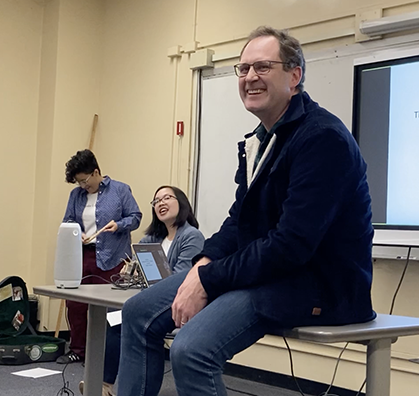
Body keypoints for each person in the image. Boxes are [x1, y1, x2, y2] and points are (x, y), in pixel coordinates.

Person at [117, 26, 376, 396]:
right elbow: (239, 221)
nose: (250, 77)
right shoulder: (262, 140)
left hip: (316, 286)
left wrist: (208, 279)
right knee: (137, 313)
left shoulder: (323, 139)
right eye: (243, 68)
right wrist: (204, 263)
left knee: (191, 350)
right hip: (269, 275)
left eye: (263, 67)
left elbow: (291, 246)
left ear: (295, 76)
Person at [81, 185, 204, 395]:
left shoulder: (192, 236)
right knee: (111, 316)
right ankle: (102, 383)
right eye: (156, 201)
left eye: (167, 198)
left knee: (125, 319)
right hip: (151, 301)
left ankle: (107, 385)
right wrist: (131, 272)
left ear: (181, 203)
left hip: (177, 303)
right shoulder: (151, 239)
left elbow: (182, 279)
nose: (161, 203)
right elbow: (138, 274)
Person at [59, 149, 142, 364]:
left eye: (84, 180)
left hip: (113, 256)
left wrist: (119, 225)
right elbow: (68, 221)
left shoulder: (120, 190)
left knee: (111, 308)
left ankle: (109, 355)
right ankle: (78, 350)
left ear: (96, 172)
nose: (82, 186)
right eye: (78, 182)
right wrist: (78, 232)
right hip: (83, 255)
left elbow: (135, 217)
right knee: (75, 305)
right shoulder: (76, 195)